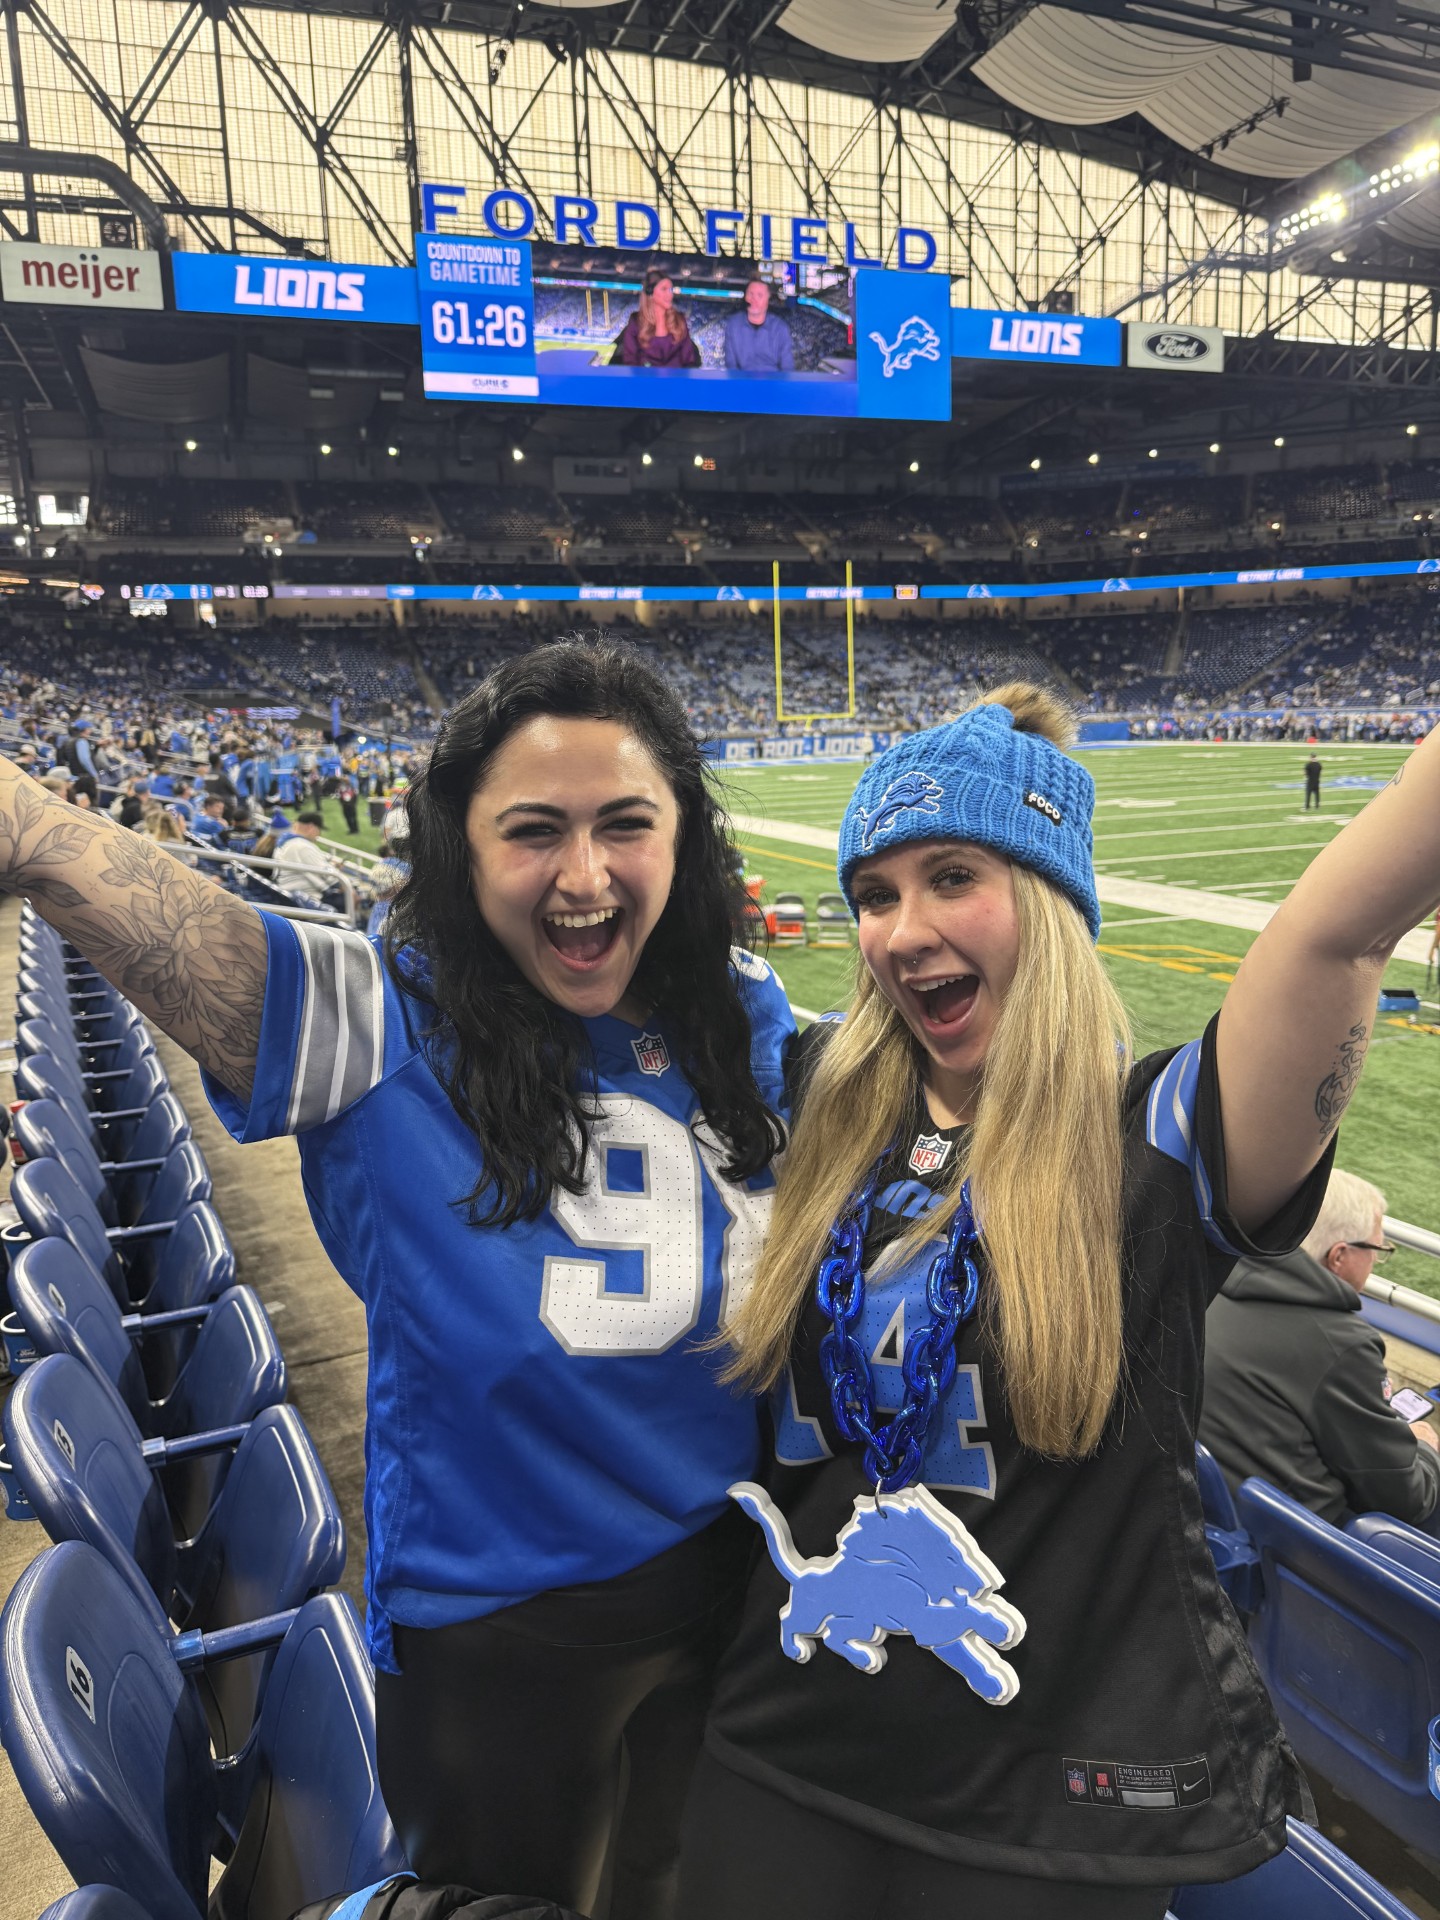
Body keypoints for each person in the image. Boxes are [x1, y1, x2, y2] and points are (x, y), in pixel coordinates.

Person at [0, 637, 790, 1920]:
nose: (585, 874)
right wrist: (30, 823)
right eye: (533, 830)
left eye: (626, 824)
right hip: (507, 1625)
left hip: (735, 1581)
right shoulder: (381, 1017)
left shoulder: (739, 1013)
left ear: (682, 837)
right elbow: (181, 932)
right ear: (460, 849)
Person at [680, 682, 1440, 1919]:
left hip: (1045, 1814)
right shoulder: (824, 1094)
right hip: (779, 1754)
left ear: (1046, 895)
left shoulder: (1153, 1140)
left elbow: (1339, 938)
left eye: (952, 878)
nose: (901, 931)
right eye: (875, 892)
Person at [1200, 1167, 1440, 1528]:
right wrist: (1424, 1447)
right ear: (1339, 1256)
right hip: (1294, 1540)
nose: (1376, 1262)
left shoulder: (1212, 1280)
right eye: (1377, 1250)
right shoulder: (1341, 1345)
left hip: (1209, 1516)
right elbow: (1408, 1499)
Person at [611, 268, 701, 370]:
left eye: (670, 289)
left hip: (675, 379)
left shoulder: (680, 320)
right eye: (664, 289)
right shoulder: (635, 322)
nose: (670, 294)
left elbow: (689, 361)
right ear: (650, 292)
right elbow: (630, 362)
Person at [723, 278, 795, 374]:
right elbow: (731, 365)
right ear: (745, 297)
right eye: (750, 294)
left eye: (759, 295)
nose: (754, 300)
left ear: (768, 299)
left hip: (773, 381)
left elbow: (787, 368)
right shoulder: (733, 325)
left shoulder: (780, 328)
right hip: (742, 381)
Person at [271, 809, 333, 900]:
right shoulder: (302, 845)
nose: (319, 835)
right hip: (306, 898)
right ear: (311, 827)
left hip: (289, 895)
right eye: (319, 830)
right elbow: (331, 878)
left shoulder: (285, 842)